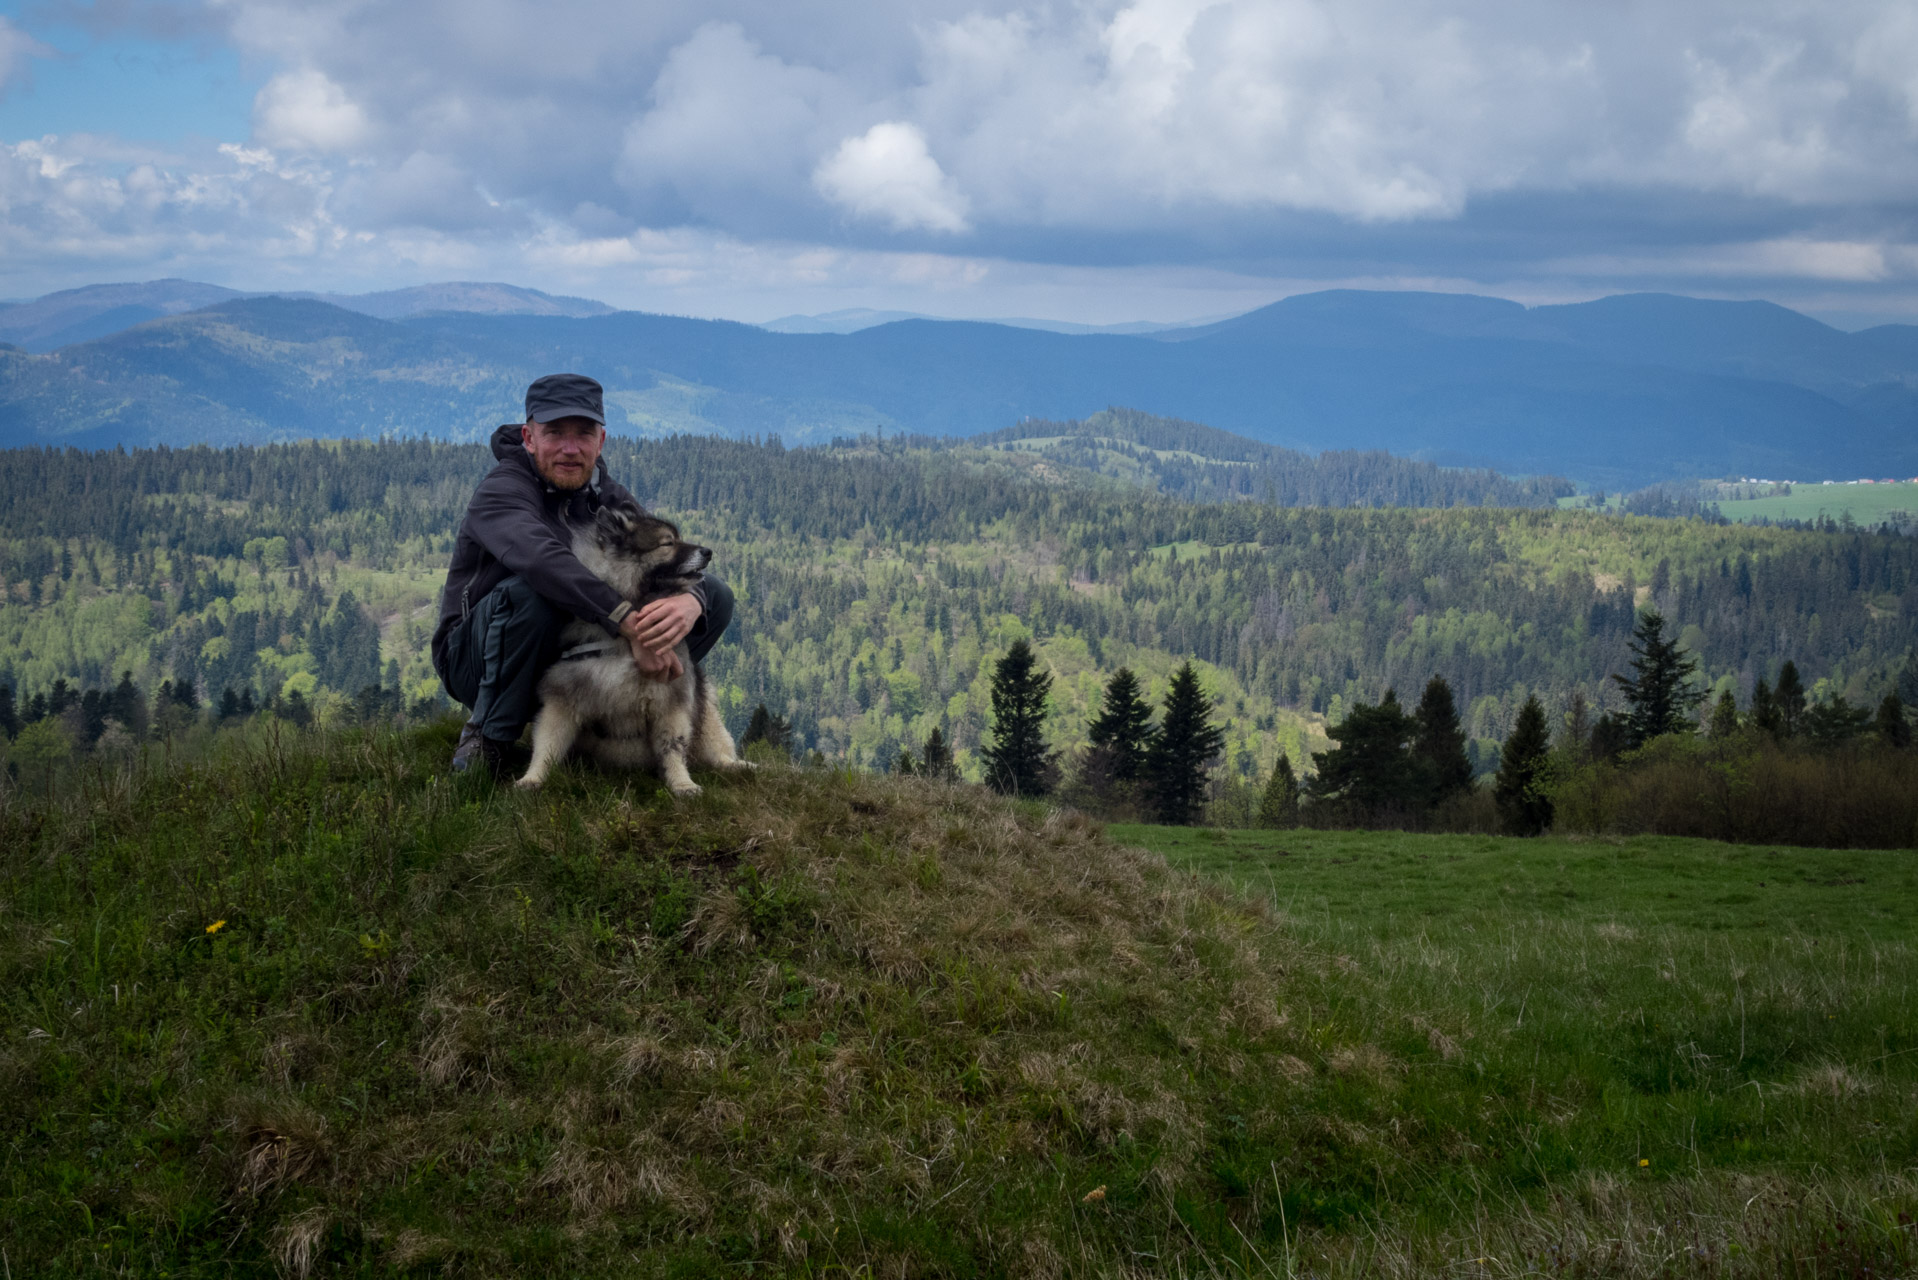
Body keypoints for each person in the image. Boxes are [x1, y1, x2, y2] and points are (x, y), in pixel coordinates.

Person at [431, 373, 734, 777]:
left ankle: (629, 725)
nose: (570, 449)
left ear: (601, 441)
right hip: (476, 657)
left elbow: (655, 564)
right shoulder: (502, 491)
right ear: (529, 436)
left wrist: (691, 602)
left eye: (584, 434)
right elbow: (543, 562)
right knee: (532, 593)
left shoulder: (608, 497)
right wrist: (630, 624)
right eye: (555, 432)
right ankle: (488, 736)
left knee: (716, 597)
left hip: (563, 654)